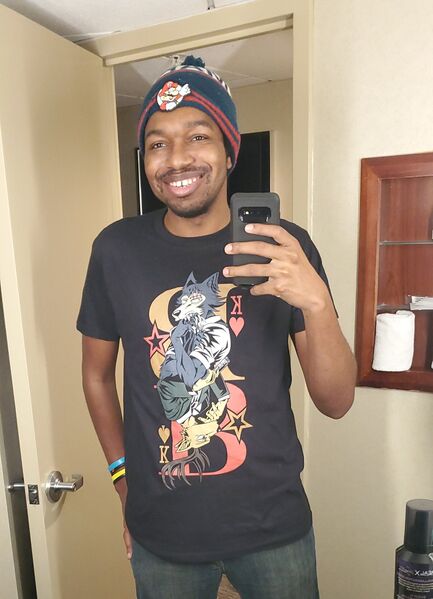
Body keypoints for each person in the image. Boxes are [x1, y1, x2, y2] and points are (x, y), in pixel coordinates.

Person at [77, 56, 356, 599]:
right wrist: (121, 479)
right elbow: (95, 376)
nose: (177, 158)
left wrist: (317, 303)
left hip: (274, 528)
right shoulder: (115, 249)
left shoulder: (285, 247)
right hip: (161, 532)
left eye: (198, 136)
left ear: (230, 151)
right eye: (157, 143)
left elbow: (337, 401)